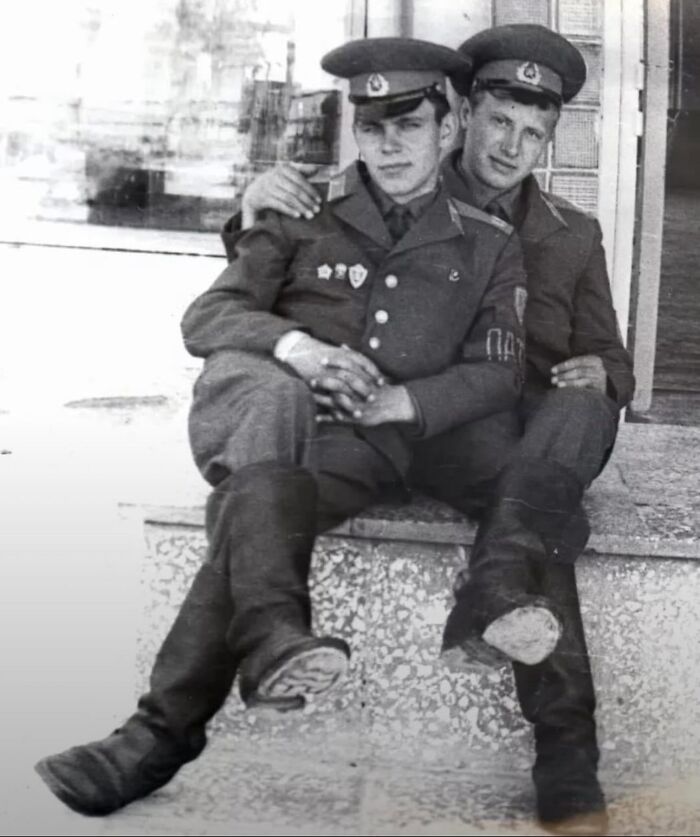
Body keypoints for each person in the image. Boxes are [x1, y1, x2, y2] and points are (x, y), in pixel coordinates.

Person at [34, 36, 548, 821]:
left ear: (448, 131)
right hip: (304, 438)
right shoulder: (304, 211)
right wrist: (294, 345)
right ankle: (254, 651)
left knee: (250, 501)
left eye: (410, 126)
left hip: (389, 440)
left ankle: (157, 736)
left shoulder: (487, 241)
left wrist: (399, 404)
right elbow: (207, 313)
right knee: (260, 491)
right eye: (374, 128)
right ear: (356, 132)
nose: (390, 144)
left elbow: (498, 369)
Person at [223, 24, 636, 836]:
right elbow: (280, 282)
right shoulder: (393, 187)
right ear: (461, 116)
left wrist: (602, 375)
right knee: (535, 519)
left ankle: (553, 723)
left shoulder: (572, 232)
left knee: (564, 441)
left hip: (519, 437)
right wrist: (248, 213)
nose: (511, 147)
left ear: (549, 137)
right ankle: (563, 747)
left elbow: (611, 357)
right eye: (498, 122)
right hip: (412, 427)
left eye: (534, 132)